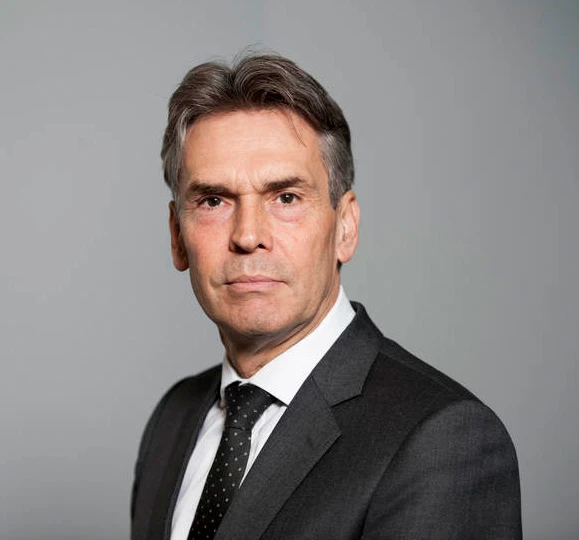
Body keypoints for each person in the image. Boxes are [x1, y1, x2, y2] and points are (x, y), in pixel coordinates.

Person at [131, 53, 522, 540]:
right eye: (214, 201)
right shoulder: (173, 420)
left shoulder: (442, 442)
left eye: (286, 198)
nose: (248, 236)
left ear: (346, 227)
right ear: (177, 236)